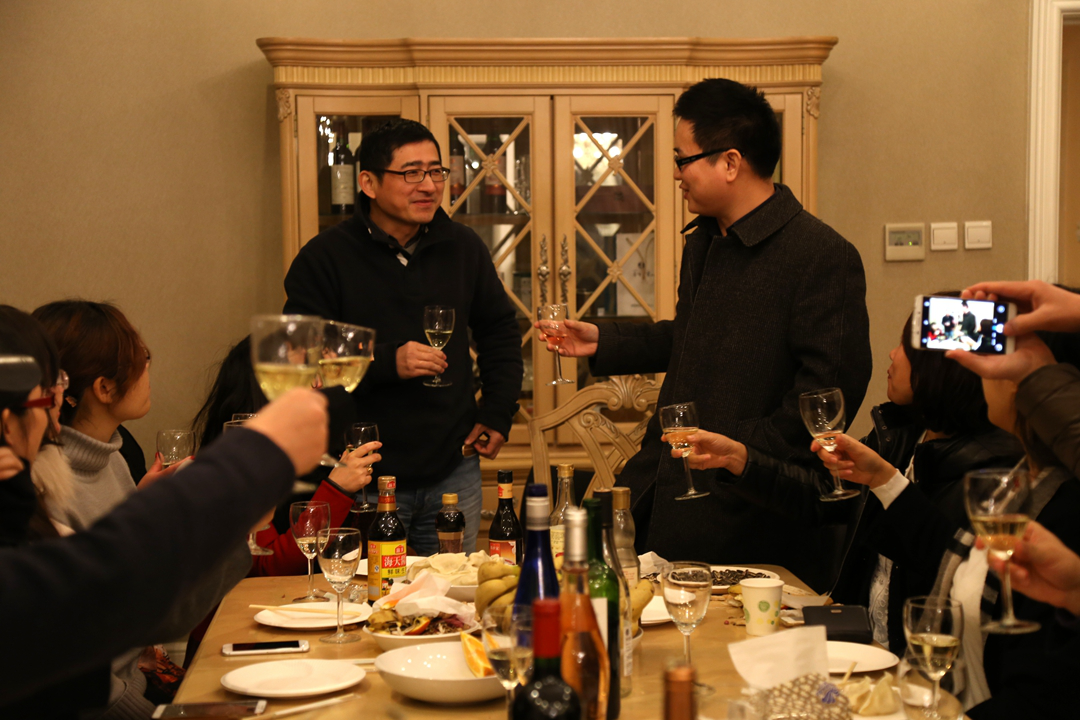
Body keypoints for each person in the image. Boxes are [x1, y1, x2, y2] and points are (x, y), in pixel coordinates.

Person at [539, 78, 872, 585]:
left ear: (731, 162)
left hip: (751, 508)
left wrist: (733, 451)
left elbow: (826, 397)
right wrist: (605, 341)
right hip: (669, 484)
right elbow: (694, 338)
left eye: (683, 159)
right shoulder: (705, 242)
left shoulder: (821, 255)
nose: (676, 174)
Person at [675, 305, 1022, 649]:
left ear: (939, 368)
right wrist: (738, 458)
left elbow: (959, 572)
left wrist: (887, 481)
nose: (892, 354)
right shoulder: (903, 437)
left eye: (904, 346)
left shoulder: (993, 470)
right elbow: (823, 497)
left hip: (922, 658)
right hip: (860, 642)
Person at [0, 379, 328, 712]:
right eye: (46, 397)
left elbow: (142, 606)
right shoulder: (37, 506)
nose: (57, 413)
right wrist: (246, 477)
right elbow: (106, 590)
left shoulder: (105, 460)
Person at [282, 118, 523, 554]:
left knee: (452, 592)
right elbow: (302, 360)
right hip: (363, 476)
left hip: (453, 471)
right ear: (369, 183)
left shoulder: (463, 247)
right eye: (411, 173)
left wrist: (498, 410)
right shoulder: (324, 258)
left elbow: (500, 330)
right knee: (365, 593)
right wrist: (386, 362)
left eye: (436, 171)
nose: (428, 185)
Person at [814, 351, 1080, 718]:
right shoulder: (1025, 482)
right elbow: (959, 559)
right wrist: (882, 478)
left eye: (1003, 355)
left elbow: (1046, 690)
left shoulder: (1061, 508)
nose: (983, 369)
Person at [190, 335, 380, 569]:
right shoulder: (236, 463)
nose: (317, 384)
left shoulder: (305, 448)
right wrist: (337, 489)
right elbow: (269, 565)